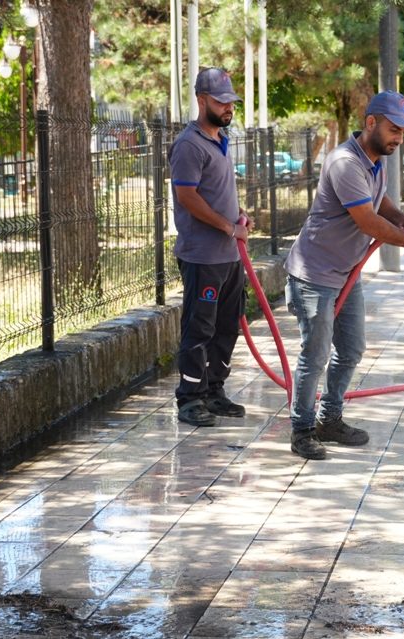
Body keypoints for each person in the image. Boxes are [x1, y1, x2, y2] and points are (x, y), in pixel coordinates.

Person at [284, 90, 404, 460]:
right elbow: (367, 221)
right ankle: (302, 430)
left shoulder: (376, 161)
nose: (399, 138)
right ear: (370, 123)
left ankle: (331, 419)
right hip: (314, 273)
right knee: (316, 354)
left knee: (352, 348)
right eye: (394, 129)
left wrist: (401, 218)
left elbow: (379, 203)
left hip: (345, 272)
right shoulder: (344, 162)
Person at [169, 67, 254, 427]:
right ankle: (190, 399)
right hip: (202, 256)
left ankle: (214, 391)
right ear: (201, 100)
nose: (228, 108)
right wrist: (228, 226)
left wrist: (239, 215)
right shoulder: (188, 145)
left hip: (229, 256)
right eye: (221, 102)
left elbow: (217, 193)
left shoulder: (220, 139)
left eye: (231, 102)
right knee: (199, 329)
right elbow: (187, 197)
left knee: (226, 327)